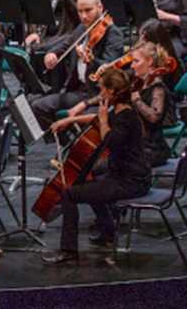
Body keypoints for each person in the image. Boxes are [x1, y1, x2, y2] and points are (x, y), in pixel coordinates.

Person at [43, 67, 151, 264]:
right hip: (124, 174)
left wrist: (102, 120)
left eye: (102, 89)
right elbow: (97, 119)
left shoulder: (126, 117)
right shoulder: (120, 109)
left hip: (131, 181)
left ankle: (68, 251)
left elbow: (109, 140)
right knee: (91, 181)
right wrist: (70, 120)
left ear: (111, 91)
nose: (100, 93)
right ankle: (108, 231)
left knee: (70, 194)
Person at [57, 41, 176, 168]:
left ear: (150, 62)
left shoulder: (158, 89)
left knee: (96, 166)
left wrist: (136, 100)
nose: (132, 66)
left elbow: (154, 117)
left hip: (149, 150)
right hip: (131, 143)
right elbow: (111, 93)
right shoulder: (138, 81)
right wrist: (83, 106)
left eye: (136, 61)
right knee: (91, 161)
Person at [29, 0, 124, 129]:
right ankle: (62, 143)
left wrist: (91, 61)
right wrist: (52, 54)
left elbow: (110, 67)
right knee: (38, 106)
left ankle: (73, 143)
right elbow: (65, 45)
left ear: (100, 7)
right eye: (80, 11)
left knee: (84, 120)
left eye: (88, 10)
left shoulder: (113, 33)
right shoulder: (82, 28)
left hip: (98, 93)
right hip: (78, 90)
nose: (83, 16)